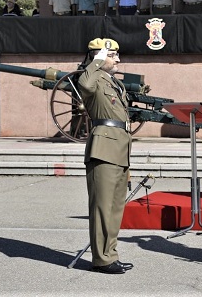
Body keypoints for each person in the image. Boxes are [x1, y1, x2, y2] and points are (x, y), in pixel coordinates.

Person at [78, 38, 133, 275]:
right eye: (112, 55)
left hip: (120, 148)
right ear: (99, 56)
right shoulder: (93, 77)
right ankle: (101, 259)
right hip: (103, 149)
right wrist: (97, 61)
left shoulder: (112, 81)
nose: (118, 59)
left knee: (114, 208)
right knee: (102, 207)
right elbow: (85, 85)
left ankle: (110, 255)